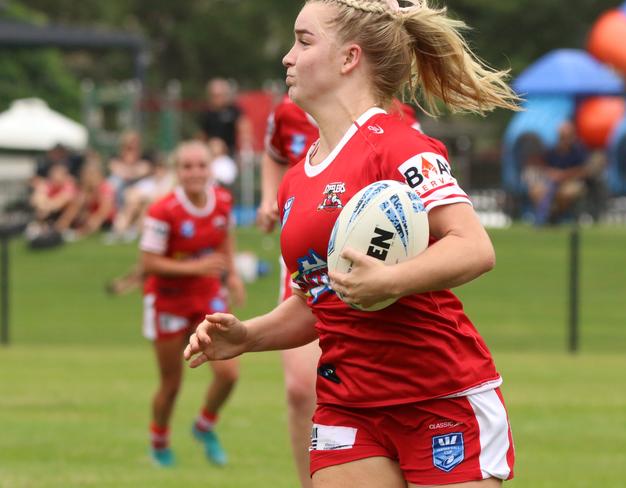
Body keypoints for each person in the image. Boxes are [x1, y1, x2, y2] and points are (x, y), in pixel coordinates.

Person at [186, 1, 519, 486]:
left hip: (438, 393)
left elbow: (473, 246)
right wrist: (249, 336)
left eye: (303, 41)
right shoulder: (297, 180)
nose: (287, 57)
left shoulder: (399, 146)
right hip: (348, 404)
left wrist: (391, 280)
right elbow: (320, 299)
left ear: (349, 58)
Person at [257, 93, 420, 488]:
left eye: (305, 41)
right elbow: (275, 155)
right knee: (300, 386)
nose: (290, 58)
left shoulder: (395, 121)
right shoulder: (287, 112)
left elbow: (414, 202)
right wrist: (268, 198)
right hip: (307, 256)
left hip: (367, 257)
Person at [140, 140, 245, 467]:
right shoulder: (162, 210)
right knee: (171, 384)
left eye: (201, 165)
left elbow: (225, 237)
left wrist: (233, 275)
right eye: (187, 166)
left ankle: (204, 426)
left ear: (210, 169)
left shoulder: (223, 201)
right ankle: (159, 441)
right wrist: (195, 267)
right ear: (178, 171)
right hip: (168, 302)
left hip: (207, 297)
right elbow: (148, 263)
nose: (195, 172)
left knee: (228, 374)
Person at [524, 121, 604, 225]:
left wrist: (564, 175)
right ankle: (544, 216)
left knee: (567, 193)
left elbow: (585, 170)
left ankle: (555, 215)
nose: (564, 139)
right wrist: (553, 174)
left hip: (572, 182)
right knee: (536, 191)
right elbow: (543, 166)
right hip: (552, 183)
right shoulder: (552, 151)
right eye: (562, 136)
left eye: (566, 136)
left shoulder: (579, 151)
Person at [54, 153, 115, 240]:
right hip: (91, 217)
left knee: (92, 220)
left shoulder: (105, 187)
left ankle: (77, 233)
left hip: (106, 221)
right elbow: (78, 206)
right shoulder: (86, 189)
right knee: (74, 206)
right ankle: (58, 229)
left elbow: (104, 211)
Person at [197, 78, 254, 158]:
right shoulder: (206, 113)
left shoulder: (233, 110)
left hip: (230, 150)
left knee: (217, 145)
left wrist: (245, 144)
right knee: (215, 144)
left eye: (219, 95)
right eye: (214, 95)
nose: (217, 99)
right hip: (211, 150)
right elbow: (202, 135)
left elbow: (244, 126)